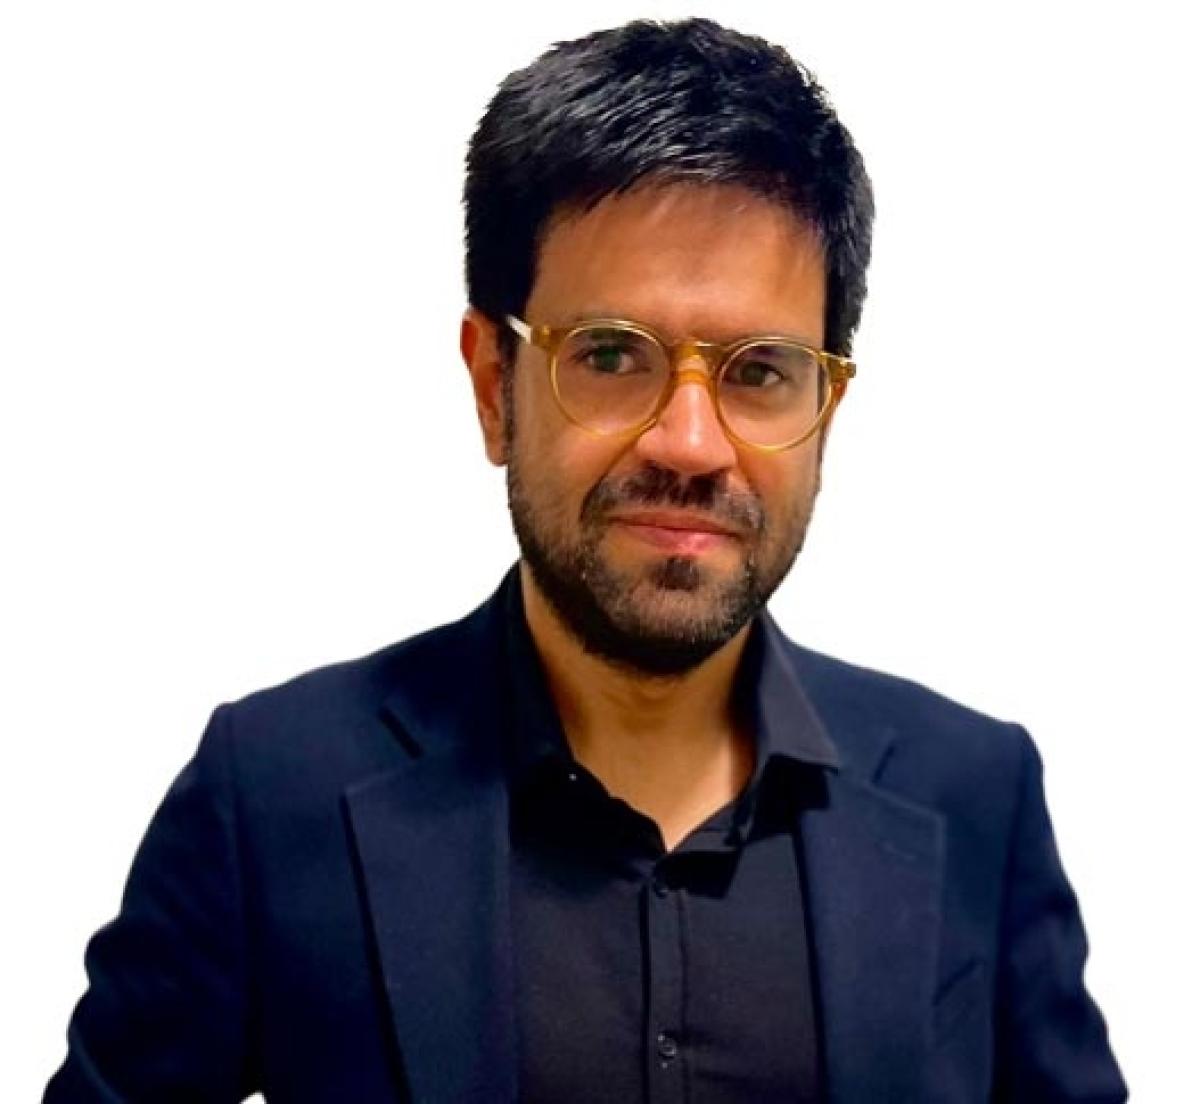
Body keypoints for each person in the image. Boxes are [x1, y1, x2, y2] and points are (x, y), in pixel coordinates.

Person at [45, 17, 1126, 1103]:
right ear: (492, 385)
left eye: (761, 371)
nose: (690, 444)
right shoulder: (273, 793)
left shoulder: (975, 796)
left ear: (827, 407)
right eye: (611, 355)